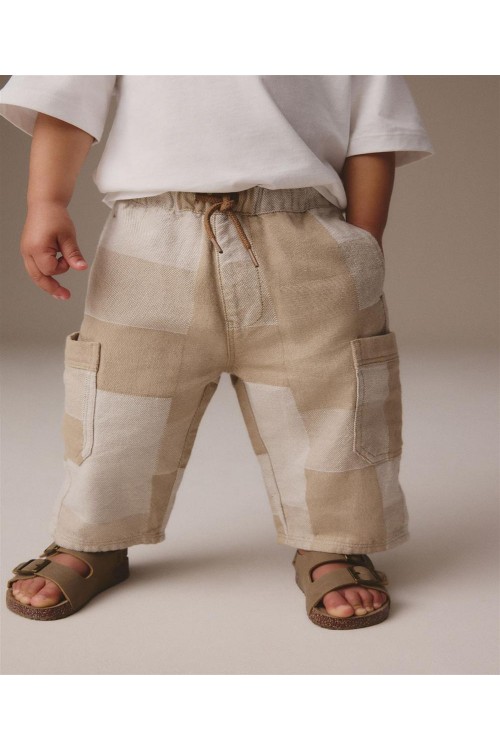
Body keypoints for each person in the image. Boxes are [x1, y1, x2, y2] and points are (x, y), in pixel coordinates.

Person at [0, 75, 433, 629]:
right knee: (119, 401)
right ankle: (94, 537)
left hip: (304, 229)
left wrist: (363, 247)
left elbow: (373, 131)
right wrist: (46, 202)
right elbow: (66, 96)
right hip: (151, 232)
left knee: (332, 396)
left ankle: (334, 542)